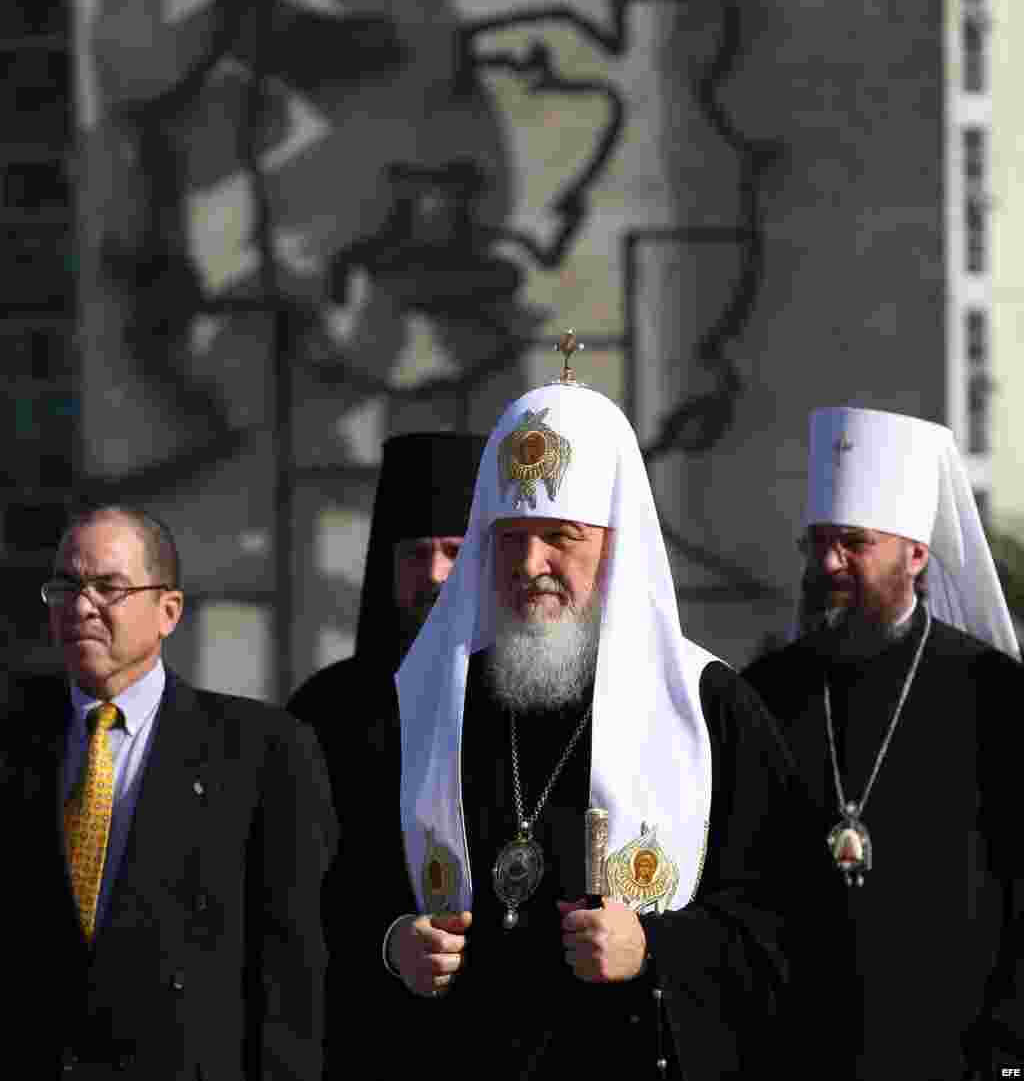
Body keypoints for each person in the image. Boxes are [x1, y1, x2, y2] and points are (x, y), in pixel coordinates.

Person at [339, 349, 804, 1080]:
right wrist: (395, 941)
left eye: (561, 537)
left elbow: (788, 925)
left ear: (616, 547)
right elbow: (346, 886)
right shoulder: (426, 701)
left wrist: (654, 950)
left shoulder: (710, 710)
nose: (529, 566)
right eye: (511, 539)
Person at [0, 503, 335, 1080]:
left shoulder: (263, 751)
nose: (81, 607)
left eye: (109, 587)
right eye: (65, 587)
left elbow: (293, 970)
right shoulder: (15, 744)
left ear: (169, 611)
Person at [744, 406, 1024, 1081]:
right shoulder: (765, 693)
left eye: (853, 543)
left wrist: (1010, 1049)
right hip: (797, 1054)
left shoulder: (995, 693)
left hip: (955, 1056)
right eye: (817, 542)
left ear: (916, 554)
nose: (828, 563)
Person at [288, 430, 486, 751]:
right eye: (416, 554)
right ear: (389, 566)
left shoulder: (528, 705)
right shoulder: (322, 709)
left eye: (454, 552)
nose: (434, 574)